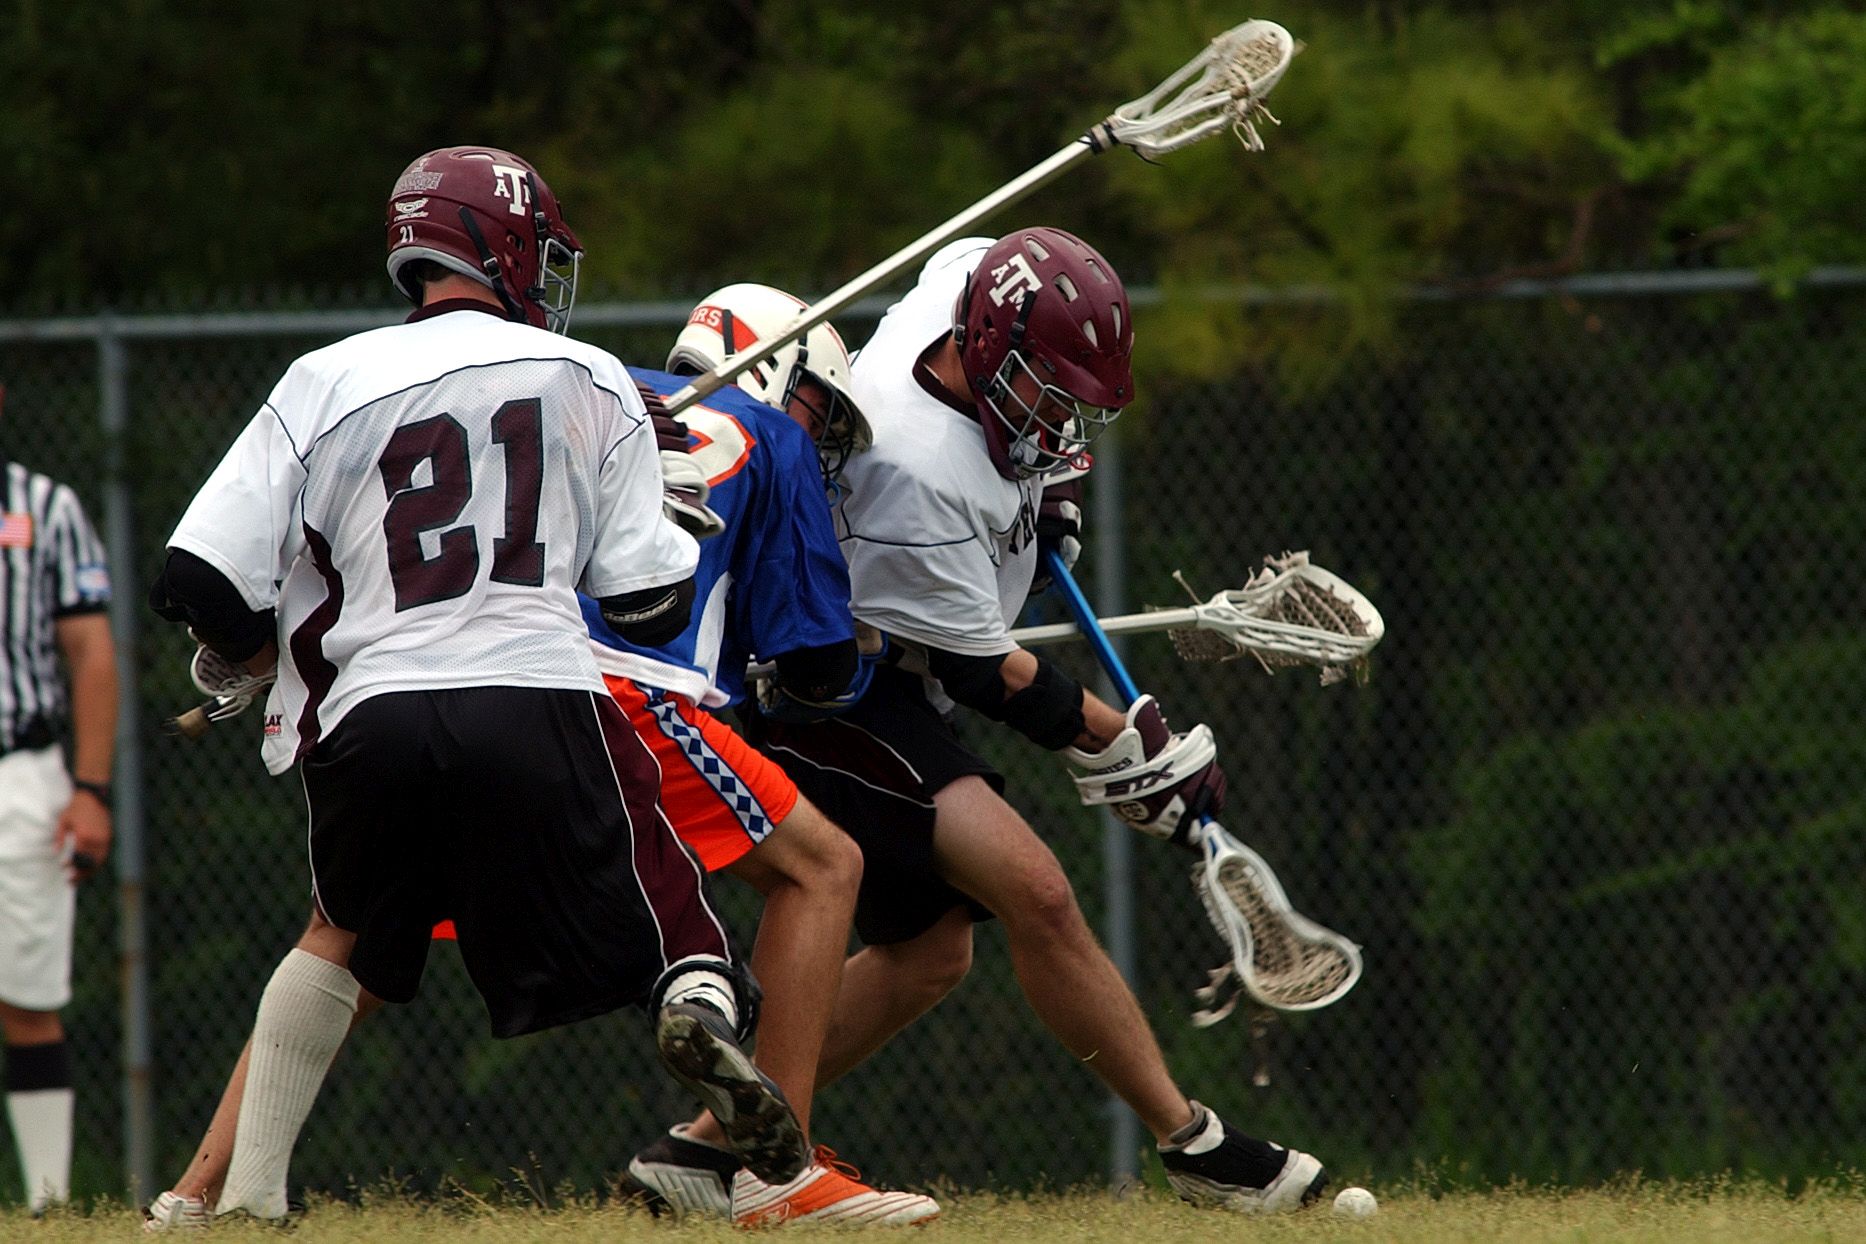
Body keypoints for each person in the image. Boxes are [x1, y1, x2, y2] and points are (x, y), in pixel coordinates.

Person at [144, 285, 938, 1229]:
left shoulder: (542, 383)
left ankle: (199, 1195)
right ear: (778, 370)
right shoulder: (750, 431)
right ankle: (771, 1170)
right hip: (592, 693)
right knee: (818, 868)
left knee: (347, 935)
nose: (820, 432)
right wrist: (865, 652)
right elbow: (809, 663)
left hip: (412, 693)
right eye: (819, 407)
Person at [718, 229, 1330, 1214]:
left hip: (898, 673)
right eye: (1050, 394)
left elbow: (1001, 294)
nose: (1064, 420)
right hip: (834, 683)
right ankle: (1195, 1144)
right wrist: (1132, 745)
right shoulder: (914, 467)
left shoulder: (969, 278)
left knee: (931, 956)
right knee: (1038, 889)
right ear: (990, 351)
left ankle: (705, 1147)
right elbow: (992, 675)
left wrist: (1054, 497)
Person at [0, 384, 118, 1214]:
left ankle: (48, 1203)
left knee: (27, 996)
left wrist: (91, 789)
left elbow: (91, 651)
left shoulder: (44, 507)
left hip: (21, 771)